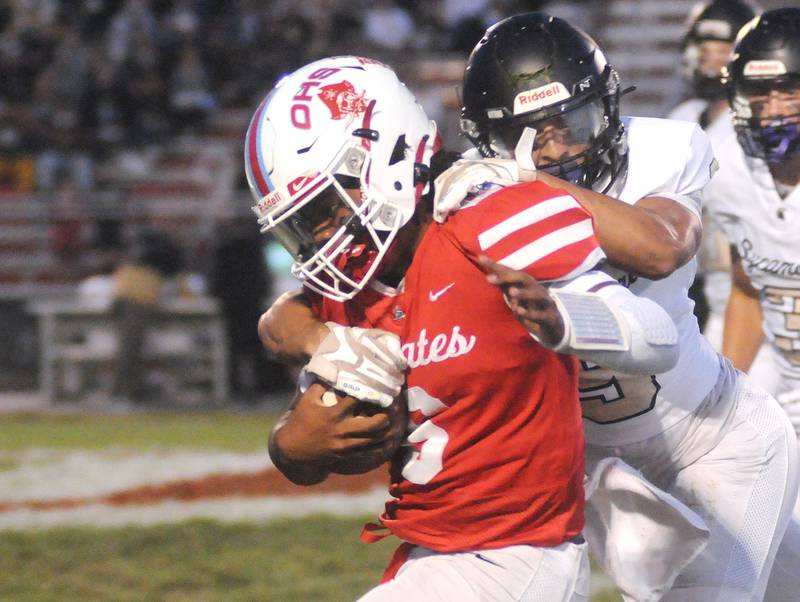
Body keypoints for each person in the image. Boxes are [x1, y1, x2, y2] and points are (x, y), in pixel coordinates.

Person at [247, 55, 680, 601]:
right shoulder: (349, 287)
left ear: (387, 156)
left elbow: (658, 336)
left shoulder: (489, 221)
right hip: (430, 555)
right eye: (304, 226)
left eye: (329, 209)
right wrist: (292, 445)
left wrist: (565, 319)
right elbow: (282, 323)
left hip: (517, 553)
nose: (324, 239)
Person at [442, 12, 798, 601]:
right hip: (600, 470)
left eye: (570, 123)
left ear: (606, 107)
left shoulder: (661, 144)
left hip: (717, 441)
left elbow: (661, 247)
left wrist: (526, 183)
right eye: (531, 135)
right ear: (491, 140)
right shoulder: (472, 192)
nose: (556, 150)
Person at [707, 8, 800, 599]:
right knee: (754, 566)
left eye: (788, 90)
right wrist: (728, 397)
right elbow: (747, 285)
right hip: (789, 395)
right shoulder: (727, 163)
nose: (771, 110)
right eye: (757, 93)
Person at [668, 0, 760, 349]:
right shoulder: (683, 116)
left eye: (724, 50)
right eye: (705, 49)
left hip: (738, 290)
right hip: (687, 285)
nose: (711, 60)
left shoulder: (755, 124)